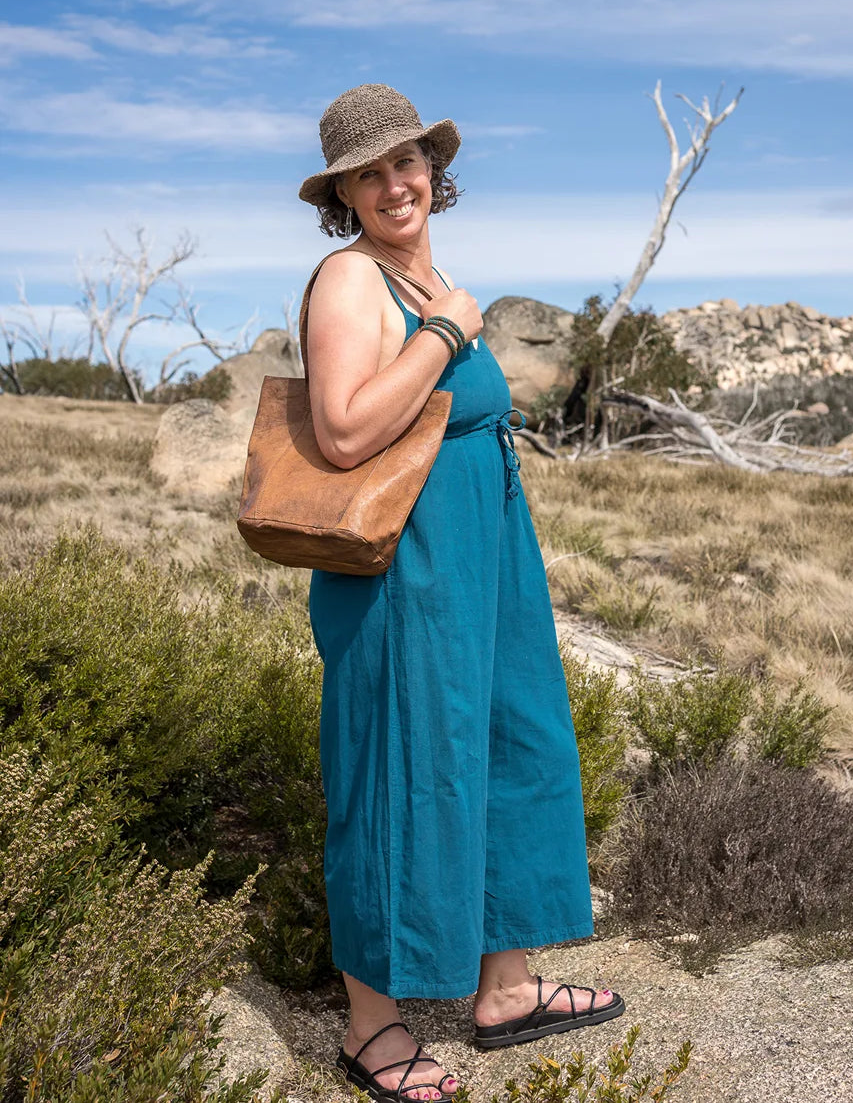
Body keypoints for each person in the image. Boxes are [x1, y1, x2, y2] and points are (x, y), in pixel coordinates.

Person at [298, 84, 625, 1103]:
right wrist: (443, 333)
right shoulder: (351, 281)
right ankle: (369, 1027)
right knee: (399, 765)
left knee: (507, 744)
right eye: (370, 171)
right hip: (407, 569)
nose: (396, 182)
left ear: (434, 170)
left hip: (484, 559)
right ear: (344, 194)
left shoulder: (425, 272)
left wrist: (443, 315)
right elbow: (347, 430)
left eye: (408, 162)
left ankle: (503, 986)